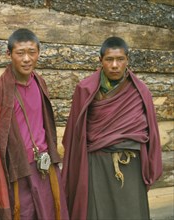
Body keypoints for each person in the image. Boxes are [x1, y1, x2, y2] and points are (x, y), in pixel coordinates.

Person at [61, 36, 163, 220]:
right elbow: (74, 136)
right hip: (96, 165)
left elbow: (152, 132)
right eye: (109, 60)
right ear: (101, 61)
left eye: (120, 59)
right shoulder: (85, 89)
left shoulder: (140, 91)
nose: (115, 65)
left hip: (131, 164)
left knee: (131, 214)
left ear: (127, 60)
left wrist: (150, 165)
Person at [0, 28, 69, 220]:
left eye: (32, 52)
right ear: (9, 54)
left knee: (50, 213)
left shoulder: (40, 82)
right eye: (20, 53)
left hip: (45, 166)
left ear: (39, 52)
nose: (27, 59)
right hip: (18, 171)